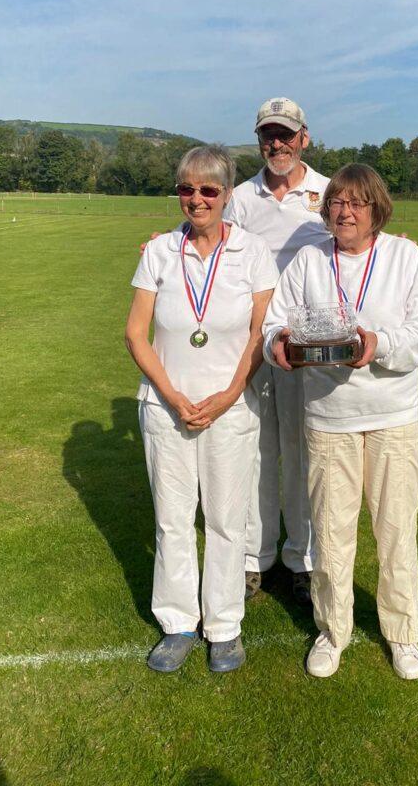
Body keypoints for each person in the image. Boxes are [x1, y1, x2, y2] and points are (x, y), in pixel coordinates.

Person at [262, 163, 418, 680]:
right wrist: (281, 348)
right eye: (337, 203)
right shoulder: (307, 260)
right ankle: (331, 631)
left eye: (357, 203)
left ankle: (403, 634)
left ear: (377, 210)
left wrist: (379, 345)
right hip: (328, 418)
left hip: (393, 416)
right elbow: (277, 322)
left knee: (395, 531)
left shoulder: (406, 257)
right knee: (331, 532)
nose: (345, 212)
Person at [125, 145, 277, 674]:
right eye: (186, 189)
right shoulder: (160, 251)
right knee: (171, 520)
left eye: (208, 189)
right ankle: (177, 623)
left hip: (231, 409)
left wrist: (232, 392)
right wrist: (171, 395)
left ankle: (225, 626)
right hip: (166, 408)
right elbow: (135, 334)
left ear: (226, 194)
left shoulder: (254, 252)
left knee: (227, 521)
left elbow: (261, 333)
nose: (196, 199)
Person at [225, 98, 330, 603]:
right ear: (258, 140)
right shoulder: (241, 197)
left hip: (308, 344)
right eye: (268, 134)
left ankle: (302, 559)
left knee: (304, 451)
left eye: (286, 134)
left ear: (304, 137)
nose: (277, 143)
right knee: (257, 449)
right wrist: (168, 240)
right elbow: (212, 243)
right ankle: (254, 558)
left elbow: (359, 239)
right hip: (251, 340)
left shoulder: (327, 192)